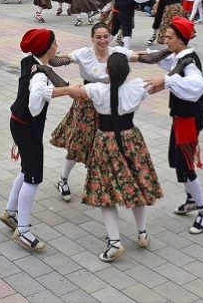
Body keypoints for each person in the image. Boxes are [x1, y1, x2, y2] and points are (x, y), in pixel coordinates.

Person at [0, 29, 85, 250]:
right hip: (27, 127)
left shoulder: (30, 61)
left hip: (18, 122)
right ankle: (24, 230)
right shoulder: (38, 74)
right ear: (47, 48)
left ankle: (10, 212)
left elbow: (51, 66)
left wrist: (69, 72)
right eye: (55, 43)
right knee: (33, 177)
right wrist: (67, 90)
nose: (58, 45)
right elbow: (35, 103)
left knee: (26, 169)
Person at [81, 54, 163, 262]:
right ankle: (142, 233)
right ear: (127, 72)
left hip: (105, 142)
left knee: (105, 192)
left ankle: (115, 242)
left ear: (107, 71)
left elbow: (73, 91)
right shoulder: (136, 87)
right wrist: (168, 79)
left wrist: (51, 87)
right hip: (131, 140)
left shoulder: (97, 90)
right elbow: (156, 86)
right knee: (136, 184)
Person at [47, 23, 139, 201]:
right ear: (92, 38)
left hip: (109, 103)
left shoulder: (118, 52)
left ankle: (107, 182)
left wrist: (173, 51)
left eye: (106, 37)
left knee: (108, 143)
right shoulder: (84, 53)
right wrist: (48, 50)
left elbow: (144, 58)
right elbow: (56, 61)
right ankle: (63, 180)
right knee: (79, 142)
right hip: (86, 103)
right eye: (98, 37)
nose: (103, 41)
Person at [143, 17, 203, 235]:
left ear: (182, 40)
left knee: (185, 166)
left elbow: (198, 86)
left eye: (170, 37)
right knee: (176, 161)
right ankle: (192, 199)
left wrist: (167, 81)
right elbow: (159, 60)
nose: (165, 40)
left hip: (189, 120)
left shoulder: (189, 62)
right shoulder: (179, 56)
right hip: (181, 118)